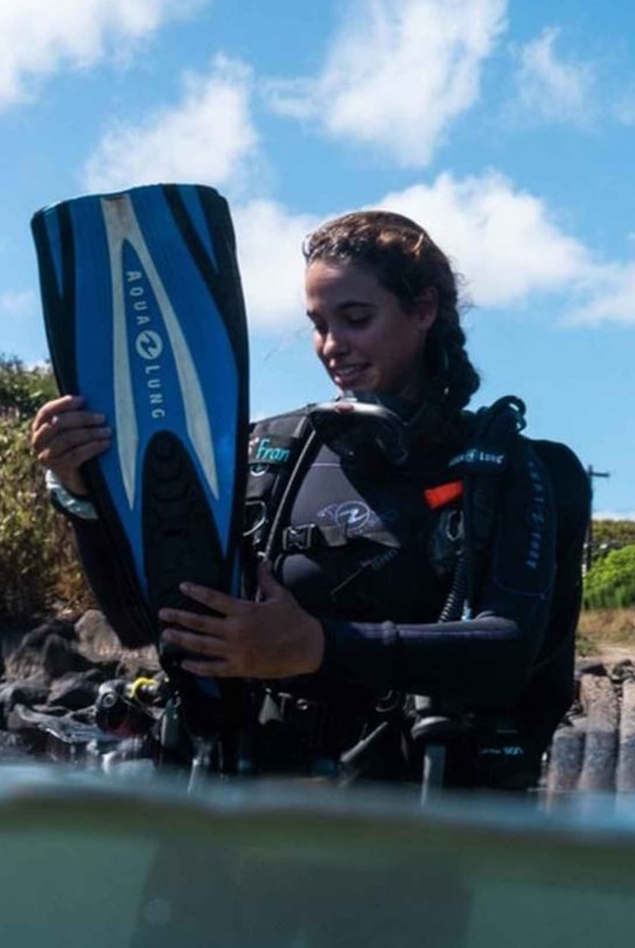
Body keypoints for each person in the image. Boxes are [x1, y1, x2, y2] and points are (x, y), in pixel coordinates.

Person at [29, 210, 569, 790]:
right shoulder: (266, 453)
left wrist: (318, 646)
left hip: (418, 824)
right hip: (246, 806)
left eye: (355, 318)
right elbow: (142, 623)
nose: (332, 346)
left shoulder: (504, 468)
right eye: (317, 324)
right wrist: (81, 493)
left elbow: (508, 646)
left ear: (424, 310)